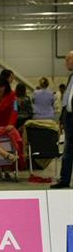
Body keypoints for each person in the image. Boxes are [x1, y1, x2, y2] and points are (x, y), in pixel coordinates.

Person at [0, 75, 24, 170]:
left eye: (1, 86)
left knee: (16, 141)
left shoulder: (12, 95)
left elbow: (14, 110)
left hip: (8, 124)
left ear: (6, 86)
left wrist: (11, 124)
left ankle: (9, 168)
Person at [51, 51, 73, 189]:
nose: (65, 63)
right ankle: (64, 179)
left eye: (67, 60)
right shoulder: (71, 76)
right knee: (68, 150)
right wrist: (63, 117)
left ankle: (64, 179)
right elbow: (68, 98)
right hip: (70, 118)